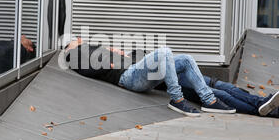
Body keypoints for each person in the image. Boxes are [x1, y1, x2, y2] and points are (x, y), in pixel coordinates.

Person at [64, 39, 237, 117]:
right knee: (164, 51)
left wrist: (121, 54)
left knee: (186, 59)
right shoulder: (74, 53)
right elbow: (84, 69)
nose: (79, 40)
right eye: (76, 40)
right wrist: (105, 64)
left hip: (135, 70)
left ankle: (210, 101)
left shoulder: (94, 49)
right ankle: (177, 99)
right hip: (128, 77)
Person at [178, 76, 279, 119]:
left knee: (227, 87)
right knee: (222, 94)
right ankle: (266, 110)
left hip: (195, 77)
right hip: (183, 86)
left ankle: (261, 103)